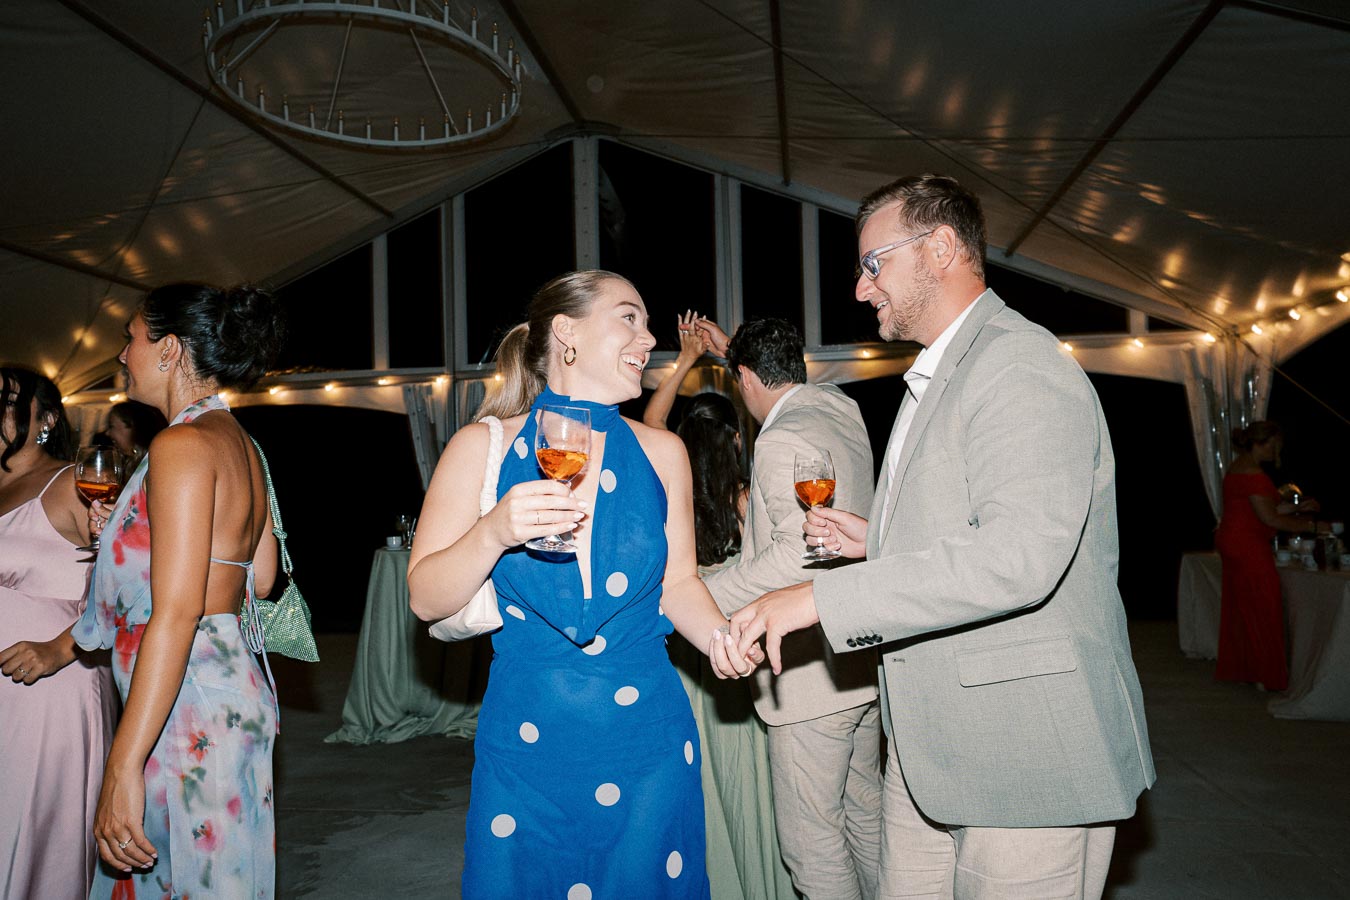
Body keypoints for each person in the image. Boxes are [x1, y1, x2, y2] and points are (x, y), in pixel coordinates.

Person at [731, 174, 1155, 899]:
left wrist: (820, 600)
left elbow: (1018, 557)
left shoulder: (1017, 364)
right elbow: (970, 526)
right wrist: (880, 539)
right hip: (933, 749)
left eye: (874, 264)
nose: (862, 290)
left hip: (1022, 754)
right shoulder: (946, 372)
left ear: (942, 248)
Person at [408, 270, 762, 898]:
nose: (648, 338)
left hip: (647, 738)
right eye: (630, 317)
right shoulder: (481, 446)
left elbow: (678, 582)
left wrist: (721, 640)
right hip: (527, 741)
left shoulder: (662, 452)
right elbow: (425, 597)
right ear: (566, 333)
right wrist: (492, 532)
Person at [72, 283, 285, 898]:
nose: (122, 353)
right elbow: (261, 575)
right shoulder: (239, 441)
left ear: (168, 349)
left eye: (131, 337)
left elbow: (178, 611)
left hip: (185, 695)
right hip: (230, 687)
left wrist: (122, 764)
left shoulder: (180, 445)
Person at [692, 316, 881, 900]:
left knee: (812, 846)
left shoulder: (778, 439)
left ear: (745, 379)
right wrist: (739, 356)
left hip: (807, 679)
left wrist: (701, 598)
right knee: (866, 822)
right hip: (861, 655)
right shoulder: (840, 406)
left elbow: (801, 557)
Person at [649, 361, 797, 899]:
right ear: (736, 438)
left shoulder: (668, 494)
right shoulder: (742, 495)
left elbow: (651, 421)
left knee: (700, 776)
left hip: (687, 645)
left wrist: (685, 361)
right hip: (732, 640)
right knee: (745, 779)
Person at [0, 366, 118, 900]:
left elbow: (133, 584)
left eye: (6, 403)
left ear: (45, 420)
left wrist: (58, 648)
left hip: (48, 689)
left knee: (36, 837)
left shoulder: (75, 482)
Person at [1214, 421, 1320, 691]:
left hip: (1234, 540)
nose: (1276, 451)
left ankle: (1248, 669)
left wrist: (1298, 508)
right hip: (1246, 545)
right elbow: (1269, 516)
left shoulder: (1238, 468)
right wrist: (1314, 526)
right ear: (1263, 443)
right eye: (1274, 445)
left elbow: (1261, 508)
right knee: (1264, 606)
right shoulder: (1254, 474)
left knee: (1243, 607)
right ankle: (1266, 674)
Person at [106, 400, 167, 466]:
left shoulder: (153, 462)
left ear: (131, 425)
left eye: (111, 426)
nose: (107, 433)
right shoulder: (122, 462)